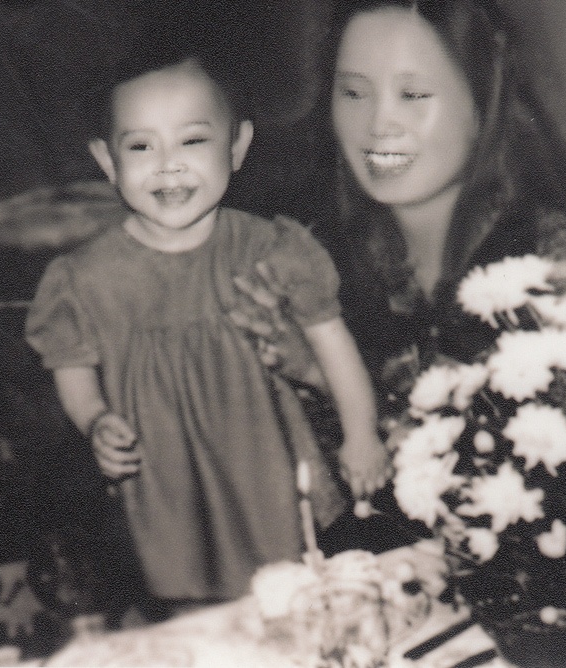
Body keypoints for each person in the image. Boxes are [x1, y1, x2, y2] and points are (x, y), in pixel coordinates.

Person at [232, 0, 566, 550]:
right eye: (354, 93)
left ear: (481, 101)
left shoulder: (549, 263)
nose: (378, 125)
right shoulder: (313, 252)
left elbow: (519, 484)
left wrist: (331, 382)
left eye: (414, 95)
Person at [24, 48, 389, 617]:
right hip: (169, 487)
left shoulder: (271, 248)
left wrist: (361, 434)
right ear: (106, 160)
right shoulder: (85, 279)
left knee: (306, 602)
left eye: (192, 140)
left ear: (237, 147)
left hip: (272, 471)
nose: (167, 166)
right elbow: (72, 371)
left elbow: (333, 345)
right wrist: (95, 419)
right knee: (198, 613)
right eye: (141, 146)